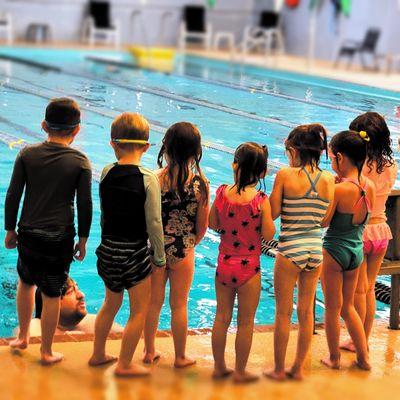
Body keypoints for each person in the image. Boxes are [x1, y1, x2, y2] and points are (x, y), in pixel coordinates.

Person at [4, 98, 92, 365]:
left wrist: (10, 230)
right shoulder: (80, 161)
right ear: (77, 130)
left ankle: (22, 339)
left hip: (29, 233)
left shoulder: (27, 155)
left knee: (26, 283)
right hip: (60, 237)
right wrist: (83, 239)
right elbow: (85, 203)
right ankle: (46, 350)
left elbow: (13, 195)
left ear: (43, 126)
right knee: (52, 293)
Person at [88, 112, 166, 377]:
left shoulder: (107, 172)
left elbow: (106, 212)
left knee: (110, 304)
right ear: (146, 146)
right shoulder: (148, 178)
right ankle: (124, 364)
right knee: (139, 310)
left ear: (112, 143)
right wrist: (159, 257)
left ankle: (98, 354)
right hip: (134, 252)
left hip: (107, 250)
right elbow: (154, 223)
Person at [266, 124, 334, 381]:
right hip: (315, 250)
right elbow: (325, 220)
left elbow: (271, 214)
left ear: (294, 151)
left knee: (283, 312)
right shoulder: (329, 180)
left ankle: (279, 370)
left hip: (290, 249)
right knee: (307, 313)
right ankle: (298, 369)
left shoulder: (285, 175)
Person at [143, 122, 210, 368]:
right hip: (185, 250)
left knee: (153, 303)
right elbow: (201, 226)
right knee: (179, 304)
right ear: (195, 152)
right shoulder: (200, 184)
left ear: (167, 148)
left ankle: (149, 352)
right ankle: (180, 357)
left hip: (155, 249)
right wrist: (189, 243)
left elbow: (147, 218)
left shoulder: (154, 179)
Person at [209, 142, 275, 383]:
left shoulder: (222, 193)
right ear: (263, 173)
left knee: (221, 317)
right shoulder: (260, 200)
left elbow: (212, 223)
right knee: (245, 322)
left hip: (224, 264)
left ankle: (218, 367)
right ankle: (239, 371)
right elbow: (269, 235)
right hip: (249, 268)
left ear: (235, 165)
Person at [340, 113, 398, 353]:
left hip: (361, 233)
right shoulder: (391, 166)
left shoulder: (359, 166)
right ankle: (363, 336)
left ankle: (358, 341)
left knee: (358, 291)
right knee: (370, 288)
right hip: (382, 231)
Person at [321, 130, 375, 371]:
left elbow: (324, 222)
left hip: (334, 251)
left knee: (332, 309)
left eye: (332, 159)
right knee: (349, 307)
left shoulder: (339, 190)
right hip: (356, 250)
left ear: (341, 158)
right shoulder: (369, 185)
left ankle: (334, 358)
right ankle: (363, 358)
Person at [29, 277, 123, 336]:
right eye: (71, 292)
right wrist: (64, 340)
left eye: (78, 289)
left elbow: (130, 336)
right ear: (52, 303)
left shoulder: (93, 323)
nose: (81, 295)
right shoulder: (36, 327)